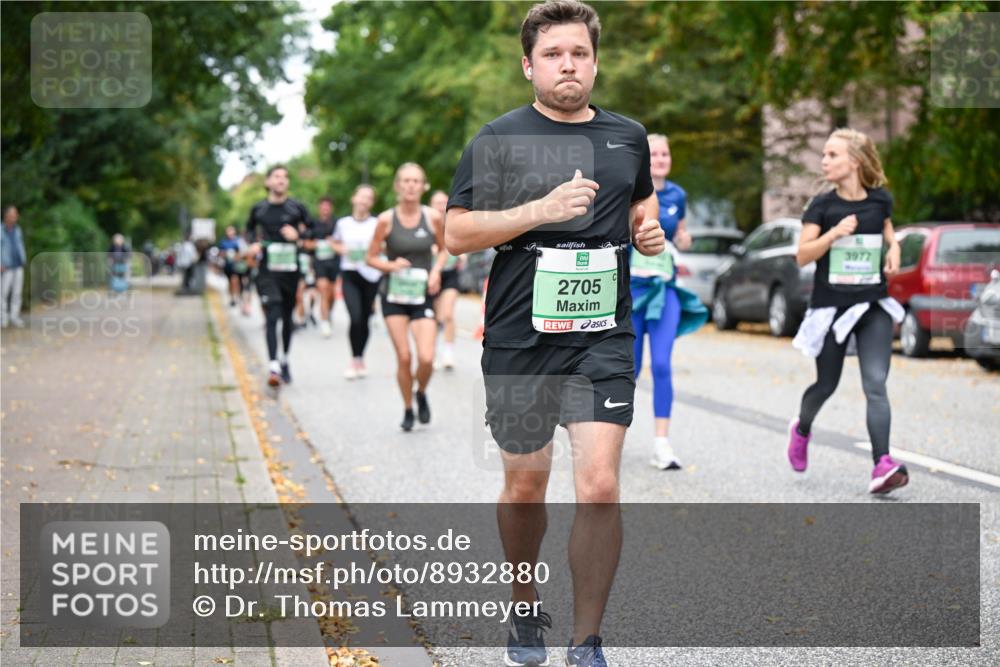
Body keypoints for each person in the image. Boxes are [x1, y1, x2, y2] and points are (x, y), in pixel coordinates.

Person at [445, 2, 665, 665]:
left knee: (598, 483)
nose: (567, 64)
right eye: (553, 54)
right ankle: (521, 603)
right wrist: (538, 210)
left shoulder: (628, 136)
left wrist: (649, 234)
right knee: (526, 484)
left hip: (602, 336)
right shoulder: (498, 138)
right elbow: (455, 233)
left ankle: (586, 639)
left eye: (579, 53)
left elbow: (640, 208)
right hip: (519, 336)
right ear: (528, 65)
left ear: (596, 61)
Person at [788, 128, 908, 495]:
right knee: (827, 384)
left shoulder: (879, 201)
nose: (824, 161)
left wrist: (894, 252)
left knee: (875, 383)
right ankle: (802, 428)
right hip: (831, 308)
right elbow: (802, 254)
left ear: (854, 161)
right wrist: (833, 235)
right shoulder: (822, 206)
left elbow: (890, 236)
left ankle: (882, 464)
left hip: (872, 305)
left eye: (832, 155)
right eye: (824, 155)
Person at [630, 134, 707, 470]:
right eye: (654, 154)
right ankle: (609, 436)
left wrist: (684, 239)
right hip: (631, 292)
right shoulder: (630, 190)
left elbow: (681, 235)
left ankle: (662, 444)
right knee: (627, 370)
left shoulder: (678, 195)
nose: (660, 159)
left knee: (661, 364)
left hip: (666, 289)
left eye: (665, 153)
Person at [366, 163, 447, 431]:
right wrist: (390, 266)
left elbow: (446, 249)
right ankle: (408, 407)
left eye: (416, 181)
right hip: (394, 295)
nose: (411, 185)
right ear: (397, 186)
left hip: (422, 294)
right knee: (404, 357)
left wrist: (435, 271)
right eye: (406, 181)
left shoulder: (433, 217)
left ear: (423, 186)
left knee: (426, 357)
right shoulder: (386, 220)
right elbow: (371, 257)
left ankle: (421, 391)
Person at [245, 165, 312, 387]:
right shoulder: (259, 209)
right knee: (272, 313)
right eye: (276, 176)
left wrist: (298, 235)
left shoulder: (297, 208)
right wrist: (252, 244)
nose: (281, 180)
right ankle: (273, 365)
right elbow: (248, 231)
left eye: (285, 177)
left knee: (286, 316)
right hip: (267, 270)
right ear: (268, 182)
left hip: (290, 270)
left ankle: (285, 359)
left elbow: (313, 230)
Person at [333, 184, 382, 379]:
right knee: (355, 317)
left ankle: (361, 357)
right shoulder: (343, 223)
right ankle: (354, 359)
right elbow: (334, 242)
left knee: (365, 318)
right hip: (350, 273)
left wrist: (373, 251)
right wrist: (342, 250)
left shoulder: (377, 223)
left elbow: (383, 245)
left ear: (371, 203)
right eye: (361, 196)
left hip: (371, 275)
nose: (364, 201)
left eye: (368, 198)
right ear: (354, 198)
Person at [430, 189, 462, 370]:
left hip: (450, 274)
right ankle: (432, 351)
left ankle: (448, 352)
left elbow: (464, 241)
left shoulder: (453, 224)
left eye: (444, 203)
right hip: (432, 276)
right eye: (437, 203)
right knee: (435, 318)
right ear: (430, 206)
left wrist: (462, 254)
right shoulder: (427, 225)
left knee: (447, 314)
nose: (441, 206)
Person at [308, 196, 341, 337]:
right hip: (319, 263)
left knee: (332, 294)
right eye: (323, 206)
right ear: (319, 208)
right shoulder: (313, 224)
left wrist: (333, 243)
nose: (325, 209)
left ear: (331, 208)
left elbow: (343, 243)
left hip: (334, 262)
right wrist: (315, 244)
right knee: (323, 290)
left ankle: (328, 314)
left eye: (328, 206)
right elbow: (305, 243)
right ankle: (324, 322)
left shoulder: (337, 223)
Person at [1, 205, 27, 328]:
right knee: (3, 293)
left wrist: (23, 259)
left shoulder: (18, 229)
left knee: (17, 293)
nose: (14, 217)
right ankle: (3, 318)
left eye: (15, 215)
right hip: (6, 267)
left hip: (18, 265)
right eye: (12, 215)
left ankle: (14, 317)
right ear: (5, 216)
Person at [218, 225, 246, 307]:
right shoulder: (223, 242)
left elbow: (243, 251)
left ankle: (237, 296)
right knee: (230, 282)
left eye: (231, 231)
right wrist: (225, 254)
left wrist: (237, 256)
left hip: (237, 265)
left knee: (236, 280)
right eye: (228, 231)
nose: (229, 233)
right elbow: (220, 253)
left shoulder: (238, 241)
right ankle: (232, 297)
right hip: (227, 265)